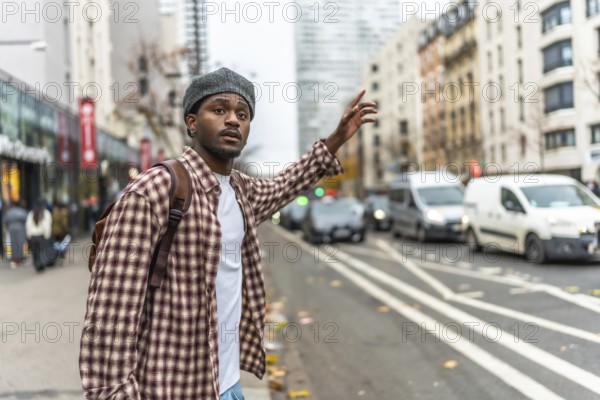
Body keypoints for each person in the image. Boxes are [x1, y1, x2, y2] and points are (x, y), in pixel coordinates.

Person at [79, 67, 377, 399]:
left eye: (242, 113)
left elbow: (285, 185)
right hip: (171, 389)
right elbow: (108, 320)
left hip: (229, 385)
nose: (233, 120)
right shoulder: (155, 191)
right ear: (192, 122)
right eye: (219, 110)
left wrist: (335, 140)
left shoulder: (240, 191)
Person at [25, 198, 53, 272]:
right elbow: (47, 225)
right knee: (42, 251)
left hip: (33, 236)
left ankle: (36, 264)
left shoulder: (31, 213)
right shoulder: (46, 213)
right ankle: (41, 264)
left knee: (35, 251)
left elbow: (28, 225)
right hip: (42, 235)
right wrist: (47, 235)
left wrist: (29, 235)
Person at [4, 201, 28, 268]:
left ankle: (13, 259)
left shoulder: (8, 212)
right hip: (21, 229)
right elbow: (26, 219)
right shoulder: (22, 211)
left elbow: (5, 221)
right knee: (22, 243)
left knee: (11, 244)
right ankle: (22, 258)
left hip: (11, 229)